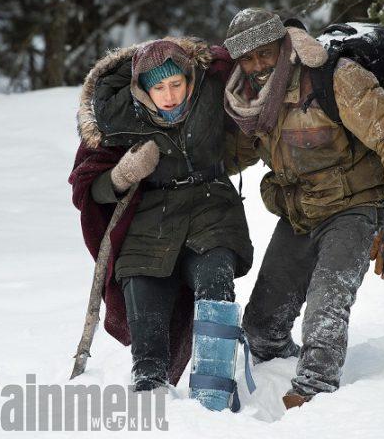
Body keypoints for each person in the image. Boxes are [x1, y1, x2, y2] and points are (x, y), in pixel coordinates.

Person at [222, 8, 384, 408]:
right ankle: (272, 374)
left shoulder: (333, 77)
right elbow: (231, 157)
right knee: (262, 329)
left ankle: (314, 394)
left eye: (265, 52)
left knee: (326, 306)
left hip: (355, 206)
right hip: (299, 212)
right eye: (247, 58)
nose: (258, 65)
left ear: (282, 45)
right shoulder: (247, 100)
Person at [69, 38, 253, 409]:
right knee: (140, 283)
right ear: (141, 89)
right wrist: (122, 175)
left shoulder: (211, 90)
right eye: (158, 87)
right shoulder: (117, 118)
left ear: (190, 79)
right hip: (151, 217)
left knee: (214, 276)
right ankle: (149, 386)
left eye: (176, 85)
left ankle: (213, 388)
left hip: (211, 207)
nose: (169, 96)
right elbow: (89, 189)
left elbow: (257, 58)